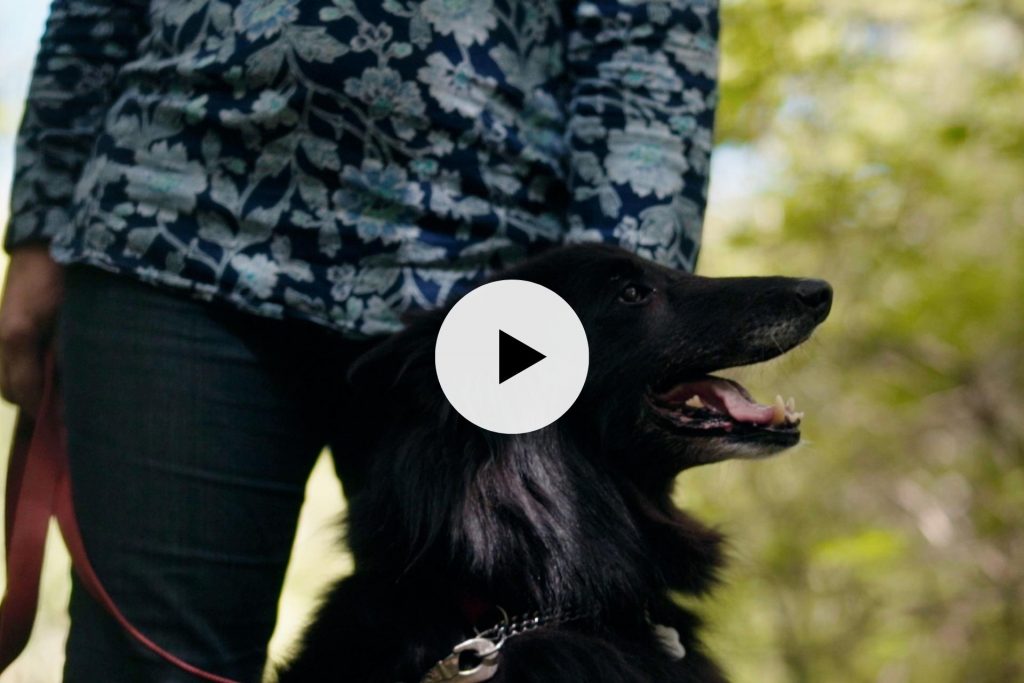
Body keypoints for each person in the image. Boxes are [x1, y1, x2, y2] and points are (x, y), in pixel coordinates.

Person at [0, 0, 719, 680]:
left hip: (491, 284)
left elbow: (651, 32)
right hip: (170, 233)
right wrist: (37, 226)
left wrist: (618, 314)